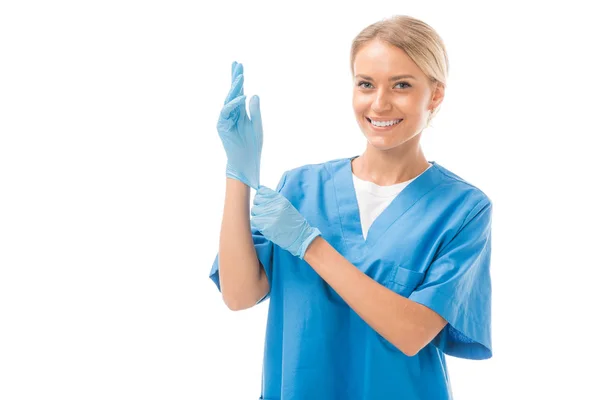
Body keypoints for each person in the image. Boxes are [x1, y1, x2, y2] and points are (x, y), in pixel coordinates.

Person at [210, 14, 493, 400]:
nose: (379, 103)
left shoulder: (462, 210)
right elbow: (239, 296)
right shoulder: (300, 187)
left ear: (436, 95)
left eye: (402, 85)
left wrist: (310, 245)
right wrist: (238, 176)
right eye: (365, 84)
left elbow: (411, 333)